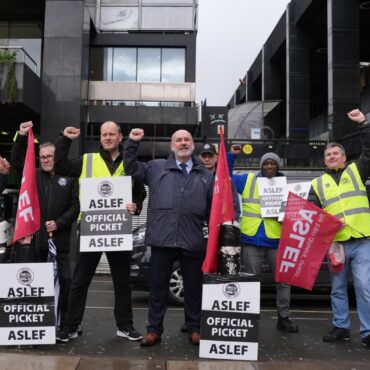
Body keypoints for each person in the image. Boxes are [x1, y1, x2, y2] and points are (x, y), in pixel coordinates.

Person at [54, 121, 146, 343]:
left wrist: (136, 205)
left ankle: (124, 326)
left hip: (118, 230)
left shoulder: (130, 162)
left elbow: (140, 192)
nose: (107, 137)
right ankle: (70, 327)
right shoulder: (87, 160)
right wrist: (65, 139)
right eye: (104, 134)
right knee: (80, 281)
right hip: (91, 230)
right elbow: (61, 166)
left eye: (111, 134)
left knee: (122, 282)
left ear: (120, 137)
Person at [124, 128, 214, 346]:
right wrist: (132, 143)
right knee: (158, 288)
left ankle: (194, 328)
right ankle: (154, 330)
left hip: (192, 239)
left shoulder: (206, 175)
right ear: (171, 146)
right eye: (178, 140)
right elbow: (130, 168)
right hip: (162, 239)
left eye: (187, 140)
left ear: (193, 145)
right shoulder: (156, 167)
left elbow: (212, 210)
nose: (183, 143)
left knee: (193, 288)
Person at [309, 109, 370, 347]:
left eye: (336, 153)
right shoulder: (317, 184)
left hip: (362, 240)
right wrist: (328, 224)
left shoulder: (357, 169)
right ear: (324, 160)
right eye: (328, 154)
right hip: (336, 244)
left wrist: (363, 124)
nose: (332, 157)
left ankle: (367, 332)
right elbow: (313, 216)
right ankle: (341, 327)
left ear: (344, 157)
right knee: (337, 289)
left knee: (365, 287)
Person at [11, 121, 80, 327]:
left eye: (50, 156)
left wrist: (59, 223)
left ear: (56, 157)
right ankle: (42, 325)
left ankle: (65, 324)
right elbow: (16, 161)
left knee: (66, 283)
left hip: (61, 244)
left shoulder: (69, 176)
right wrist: (22, 135)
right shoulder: (33, 176)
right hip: (36, 243)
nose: (46, 160)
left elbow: (76, 207)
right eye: (42, 157)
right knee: (37, 284)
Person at [227, 147, 298, 333]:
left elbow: (294, 213)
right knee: (251, 281)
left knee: (283, 281)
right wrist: (231, 156)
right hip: (251, 240)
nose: (268, 166)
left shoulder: (287, 186)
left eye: (272, 163)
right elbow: (225, 177)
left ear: (278, 166)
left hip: (276, 240)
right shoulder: (248, 179)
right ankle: (250, 318)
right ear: (261, 165)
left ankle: (283, 318)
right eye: (266, 163)